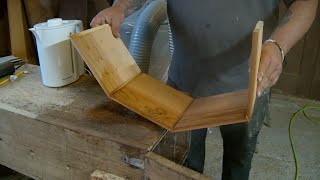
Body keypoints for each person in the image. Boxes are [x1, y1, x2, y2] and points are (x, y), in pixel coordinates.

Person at [90, 0, 317, 179]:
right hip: (184, 87)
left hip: (248, 87)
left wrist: (278, 45)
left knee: (238, 163)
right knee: (183, 163)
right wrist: (120, 6)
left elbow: (306, 3)